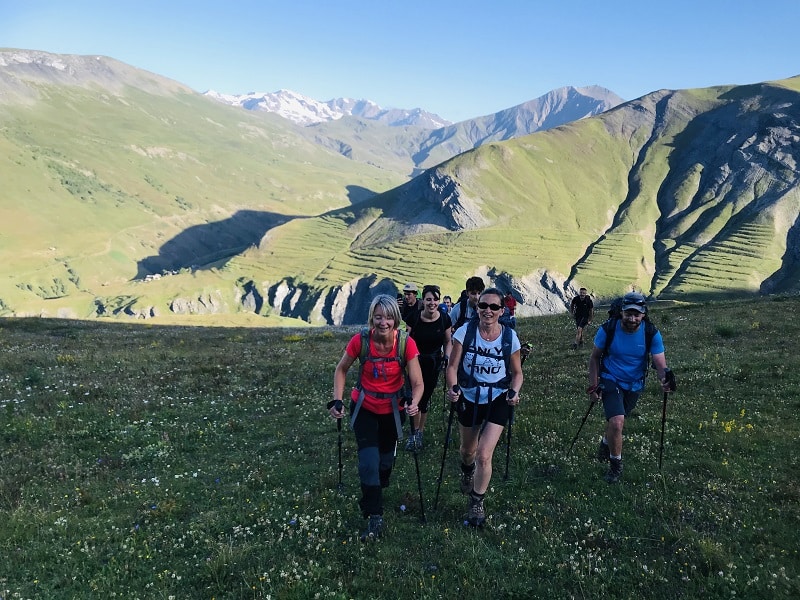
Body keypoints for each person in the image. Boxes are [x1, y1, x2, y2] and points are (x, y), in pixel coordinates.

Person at [331, 294, 424, 540]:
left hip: (393, 412)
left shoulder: (406, 344)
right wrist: (338, 399)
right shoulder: (359, 341)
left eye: (389, 317)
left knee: (384, 464)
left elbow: (417, 382)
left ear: (396, 318)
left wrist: (414, 402)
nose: (384, 322)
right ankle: (375, 516)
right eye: (379, 316)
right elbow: (341, 369)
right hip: (364, 408)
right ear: (372, 317)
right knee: (368, 463)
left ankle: (379, 482)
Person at [446, 287, 524, 526]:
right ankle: (466, 471)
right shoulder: (464, 332)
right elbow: (451, 367)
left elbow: (517, 372)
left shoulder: (510, 337)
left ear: (502, 310)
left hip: (498, 397)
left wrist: (514, 392)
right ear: (476, 308)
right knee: (467, 451)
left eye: (493, 307)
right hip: (468, 396)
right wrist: (453, 387)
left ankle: (477, 501)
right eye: (483, 306)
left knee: (483, 454)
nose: (487, 311)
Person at [587, 292, 672, 483]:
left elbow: (659, 362)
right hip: (610, 378)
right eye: (628, 314)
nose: (632, 319)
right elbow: (594, 357)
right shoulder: (608, 329)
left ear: (643, 314)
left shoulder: (651, 333)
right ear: (621, 313)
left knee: (616, 421)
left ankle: (605, 443)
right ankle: (615, 466)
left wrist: (665, 378)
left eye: (636, 315)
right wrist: (593, 386)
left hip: (635, 383)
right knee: (617, 422)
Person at [404, 284, 452, 451]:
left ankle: (418, 432)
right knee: (413, 397)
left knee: (424, 399)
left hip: (433, 363)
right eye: (429, 299)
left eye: (435, 299)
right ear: (423, 300)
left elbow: (448, 341)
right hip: (414, 362)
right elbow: (405, 340)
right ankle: (415, 432)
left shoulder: (445, 318)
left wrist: (447, 357)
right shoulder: (413, 317)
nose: (432, 302)